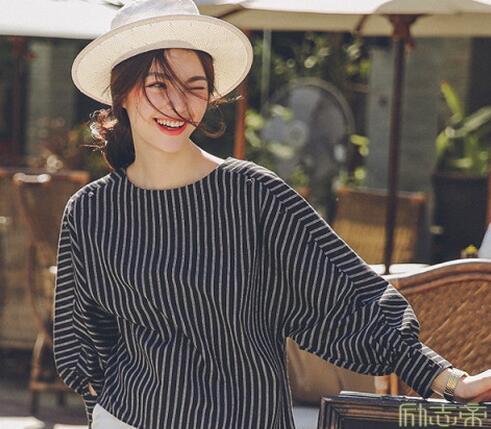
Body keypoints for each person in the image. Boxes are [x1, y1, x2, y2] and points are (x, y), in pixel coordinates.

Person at [53, 0, 491, 428]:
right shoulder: (90, 212)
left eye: (195, 86)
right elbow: (83, 350)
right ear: (123, 92)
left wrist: (451, 381)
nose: (179, 104)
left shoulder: (253, 194)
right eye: (158, 85)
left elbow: (350, 299)